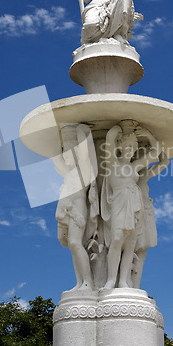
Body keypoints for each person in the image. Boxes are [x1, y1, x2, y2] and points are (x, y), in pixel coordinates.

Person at [101, 122, 160, 289]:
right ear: (120, 147)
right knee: (117, 239)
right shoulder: (112, 162)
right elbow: (109, 141)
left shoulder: (134, 166)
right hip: (119, 205)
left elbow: (155, 153)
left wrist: (148, 134)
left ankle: (123, 281)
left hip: (135, 207)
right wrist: (118, 128)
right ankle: (111, 280)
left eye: (132, 147)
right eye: (127, 146)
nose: (129, 149)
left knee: (130, 245)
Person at [54, 124, 98, 291]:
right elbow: (55, 159)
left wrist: (82, 133)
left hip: (78, 208)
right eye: (64, 151)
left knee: (75, 242)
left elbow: (85, 155)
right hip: (68, 209)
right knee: (72, 245)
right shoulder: (69, 173)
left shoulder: (82, 170)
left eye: (67, 151)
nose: (65, 155)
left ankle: (88, 282)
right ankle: (80, 282)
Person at [132, 152, 170, 289]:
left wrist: (156, 143)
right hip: (135, 215)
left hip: (145, 215)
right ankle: (130, 285)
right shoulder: (135, 175)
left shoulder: (143, 175)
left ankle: (134, 286)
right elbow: (164, 162)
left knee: (141, 250)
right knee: (134, 250)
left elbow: (165, 161)